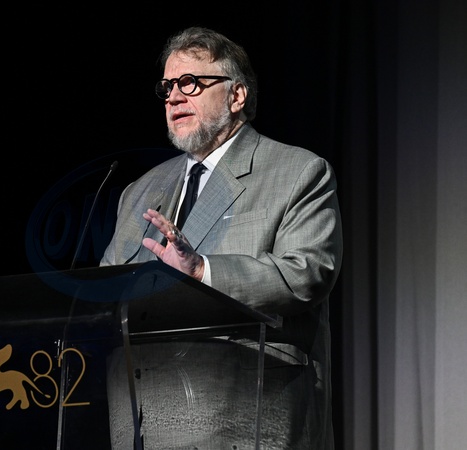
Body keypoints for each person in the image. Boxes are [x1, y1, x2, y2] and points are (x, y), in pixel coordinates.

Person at [99, 26, 343, 449]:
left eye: (190, 83)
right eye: (167, 87)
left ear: (236, 96)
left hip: (245, 417)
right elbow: (105, 293)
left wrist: (201, 270)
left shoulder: (298, 172)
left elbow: (306, 274)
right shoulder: (139, 191)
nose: (174, 97)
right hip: (141, 423)